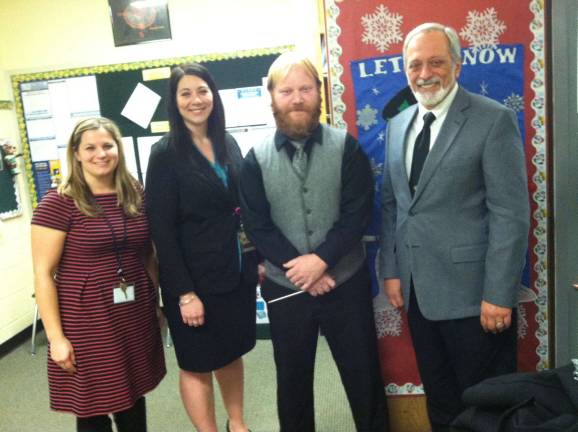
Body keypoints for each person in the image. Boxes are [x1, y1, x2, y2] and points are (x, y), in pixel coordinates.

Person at [378, 23, 530, 431]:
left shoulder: (492, 120)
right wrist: (391, 271)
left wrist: (498, 294)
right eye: (415, 65)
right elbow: (394, 207)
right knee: (442, 399)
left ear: (457, 66)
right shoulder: (398, 126)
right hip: (418, 294)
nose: (425, 73)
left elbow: (510, 214)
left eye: (436, 62)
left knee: (488, 401)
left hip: (476, 299)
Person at [239, 52, 389, 432]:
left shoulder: (348, 147)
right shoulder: (254, 159)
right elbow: (257, 225)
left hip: (345, 280)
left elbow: (357, 213)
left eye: (305, 88)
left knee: (363, 376)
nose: (297, 98)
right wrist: (303, 270)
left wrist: (320, 261)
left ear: (319, 93)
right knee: (292, 382)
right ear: (271, 96)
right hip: (285, 288)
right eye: (286, 90)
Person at [31, 117, 166, 432]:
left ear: (118, 148)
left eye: (108, 145)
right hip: (87, 321)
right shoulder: (59, 203)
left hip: (133, 313)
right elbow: (43, 273)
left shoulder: (135, 194)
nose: (101, 154)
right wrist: (56, 338)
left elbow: (147, 253)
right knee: (93, 404)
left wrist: (154, 303)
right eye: (90, 148)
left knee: (133, 394)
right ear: (76, 154)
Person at [145, 63, 257, 432]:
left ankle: (237, 424)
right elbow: (161, 229)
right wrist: (183, 293)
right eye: (186, 93)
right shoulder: (165, 154)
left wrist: (254, 258)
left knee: (230, 351)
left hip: (235, 273)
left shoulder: (229, 142)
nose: (196, 100)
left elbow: (241, 208)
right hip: (193, 281)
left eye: (202, 91)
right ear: (174, 102)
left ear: (214, 95)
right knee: (196, 363)